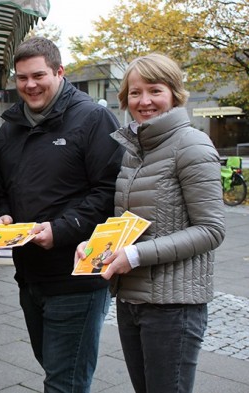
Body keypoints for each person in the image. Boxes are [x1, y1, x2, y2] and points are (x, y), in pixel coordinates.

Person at [76, 53, 226, 393]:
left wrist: (135, 256)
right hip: (133, 300)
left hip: (174, 306)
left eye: (154, 90)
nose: (144, 101)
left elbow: (211, 229)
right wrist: (98, 247)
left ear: (174, 93)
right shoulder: (135, 149)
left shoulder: (192, 145)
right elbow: (130, 222)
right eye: (134, 92)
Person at [0, 37, 123, 392]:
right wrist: (1, 216)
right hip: (29, 276)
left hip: (77, 276)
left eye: (38, 75)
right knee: (55, 370)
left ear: (60, 72)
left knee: (65, 382)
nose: (30, 85)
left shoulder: (93, 118)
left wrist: (62, 230)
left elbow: (108, 191)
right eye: (21, 78)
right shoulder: (10, 129)